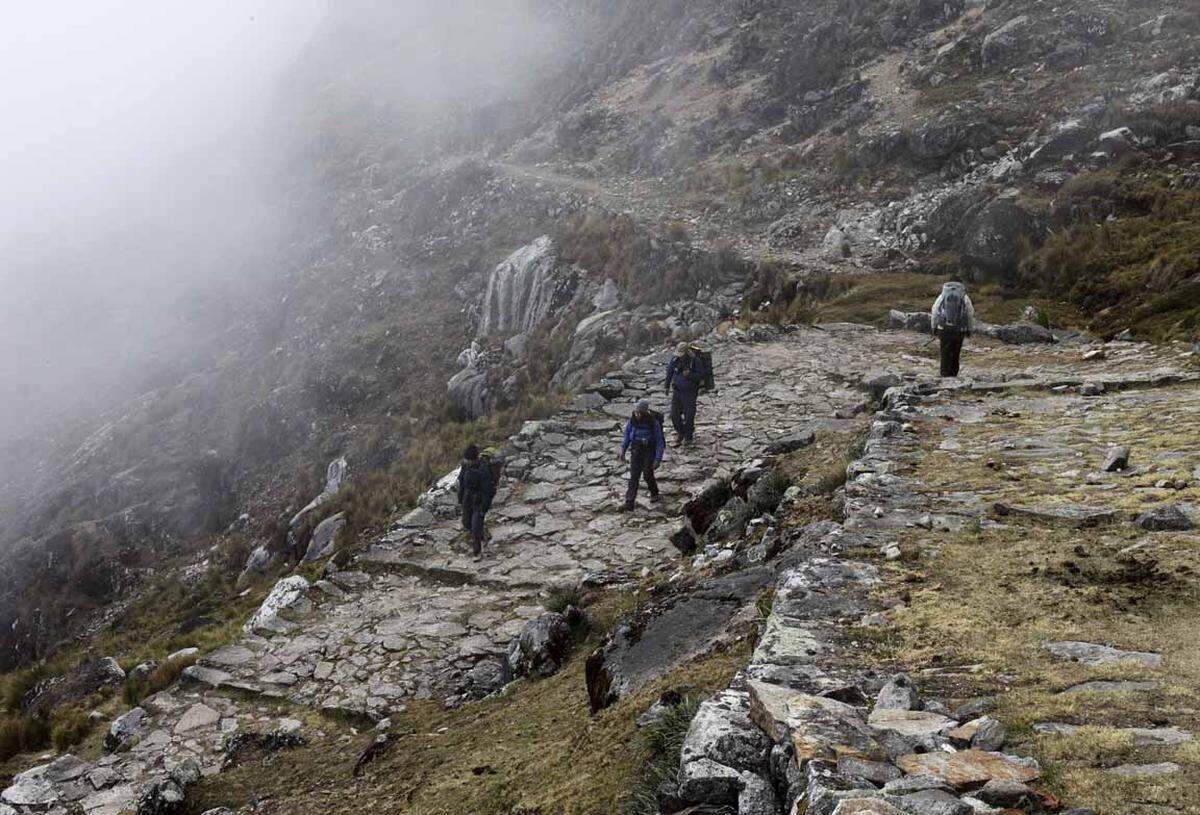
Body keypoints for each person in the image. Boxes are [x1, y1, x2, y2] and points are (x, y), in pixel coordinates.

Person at [620, 399, 665, 512]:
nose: (637, 414)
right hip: (636, 449)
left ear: (644, 412)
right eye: (636, 412)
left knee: (647, 474)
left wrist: (657, 459)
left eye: (639, 412)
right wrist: (623, 451)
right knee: (634, 476)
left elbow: (660, 442)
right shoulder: (632, 421)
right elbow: (626, 436)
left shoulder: (653, 422)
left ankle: (654, 493)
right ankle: (629, 503)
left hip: (649, 450)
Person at [665, 342, 709, 446]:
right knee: (674, 415)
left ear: (686, 352)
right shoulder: (675, 359)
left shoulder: (695, 361)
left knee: (689, 416)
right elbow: (670, 371)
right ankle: (680, 432)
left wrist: (689, 375)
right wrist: (667, 385)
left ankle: (688, 436)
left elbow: (701, 376)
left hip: (690, 392)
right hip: (677, 391)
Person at [456, 444, 495, 560]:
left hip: (479, 501)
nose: (469, 462)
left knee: (475, 526)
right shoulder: (465, 466)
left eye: (470, 460)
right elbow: (461, 482)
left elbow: (488, 491)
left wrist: (484, 508)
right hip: (467, 499)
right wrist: (460, 498)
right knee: (466, 523)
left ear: (476, 458)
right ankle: (484, 534)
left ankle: (477, 552)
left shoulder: (484, 469)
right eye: (467, 460)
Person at [930, 281, 975, 377]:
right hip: (959, 330)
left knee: (944, 351)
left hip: (943, 328)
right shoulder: (964, 297)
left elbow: (934, 311)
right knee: (956, 351)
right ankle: (954, 373)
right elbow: (970, 314)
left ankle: (944, 372)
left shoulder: (942, 296)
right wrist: (969, 329)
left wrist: (934, 327)